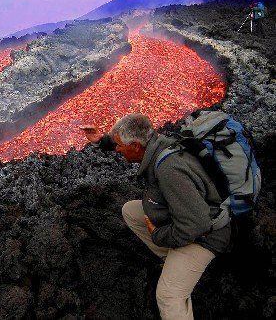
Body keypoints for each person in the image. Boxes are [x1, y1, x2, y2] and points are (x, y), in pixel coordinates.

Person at [81, 113, 231, 320]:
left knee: (168, 296)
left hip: (206, 237)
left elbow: (197, 224)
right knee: (131, 211)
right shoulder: (159, 144)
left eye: (119, 146)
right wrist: (102, 141)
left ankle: (180, 265)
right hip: (184, 220)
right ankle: (173, 260)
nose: (117, 149)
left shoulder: (170, 171)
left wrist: (159, 235)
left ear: (134, 146)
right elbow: (127, 140)